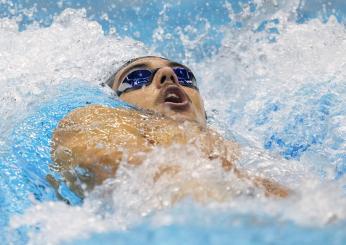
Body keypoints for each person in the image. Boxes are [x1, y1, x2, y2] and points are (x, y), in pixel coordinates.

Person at [51, 56, 289, 201]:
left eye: (185, 76)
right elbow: (118, 170)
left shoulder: (241, 151)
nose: (169, 75)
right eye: (137, 77)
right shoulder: (95, 118)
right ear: (113, 100)